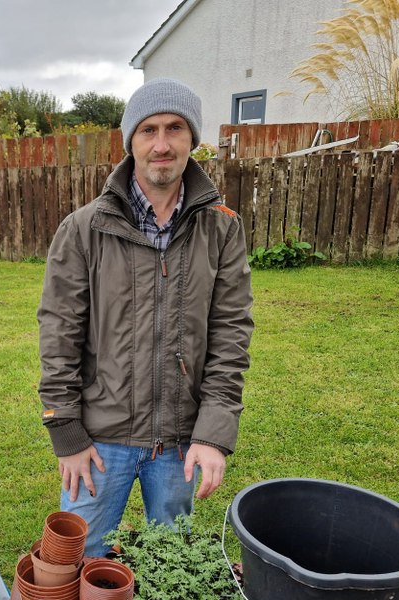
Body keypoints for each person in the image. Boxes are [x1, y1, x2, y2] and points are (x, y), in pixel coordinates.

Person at [37, 77, 254, 557]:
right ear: (130, 141)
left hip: (180, 442)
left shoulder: (222, 228)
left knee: (170, 568)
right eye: (148, 130)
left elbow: (230, 335)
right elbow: (58, 334)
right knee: (76, 563)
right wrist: (66, 433)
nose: (161, 144)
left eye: (175, 128)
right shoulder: (83, 229)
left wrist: (214, 434)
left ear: (192, 140)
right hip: (98, 438)